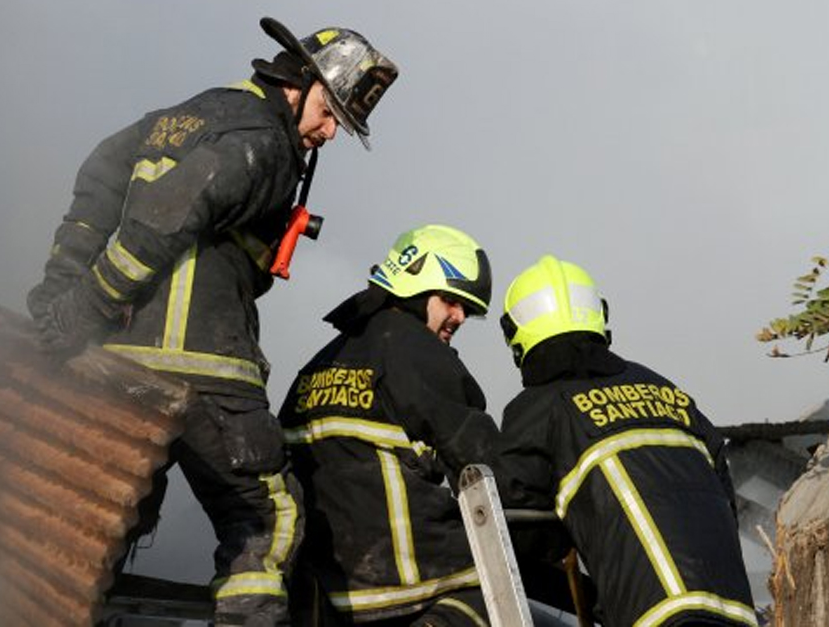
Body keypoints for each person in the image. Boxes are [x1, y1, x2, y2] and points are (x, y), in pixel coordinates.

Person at [26, 17, 398, 626]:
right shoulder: (263, 142)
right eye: (330, 113)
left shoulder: (181, 117)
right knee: (268, 516)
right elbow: (168, 214)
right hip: (203, 367)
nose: (329, 133)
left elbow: (99, 176)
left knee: (112, 503)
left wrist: (61, 289)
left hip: (118, 358)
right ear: (300, 81)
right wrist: (89, 301)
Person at [491, 255, 757, 627]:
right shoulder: (668, 392)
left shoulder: (540, 408)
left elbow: (517, 527)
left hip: (655, 616)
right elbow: (724, 498)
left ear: (515, 334)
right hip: (739, 613)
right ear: (599, 315)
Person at [277, 225, 499, 626]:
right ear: (415, 285)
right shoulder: (415, 348)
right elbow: (484, 460)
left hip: (329, 596)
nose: (460, 317)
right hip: (417, 582)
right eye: (451, 301)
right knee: (489, 597)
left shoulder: (318, 364)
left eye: (466, 308)